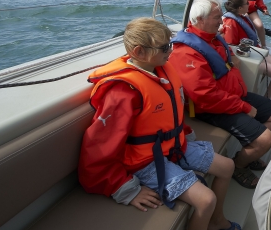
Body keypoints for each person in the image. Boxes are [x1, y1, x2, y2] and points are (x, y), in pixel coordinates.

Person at [78, 18, 239, 230]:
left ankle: (217, 221)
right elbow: (99, 148)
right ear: (139, 52)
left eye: (170, 44)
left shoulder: (161, 70)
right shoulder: (123, 92)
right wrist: (125, 188)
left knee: (227, 166)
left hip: (172, 147)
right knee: (205, 199)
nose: (170, 51)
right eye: (164, 47)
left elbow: (171, 115)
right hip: (144, 161)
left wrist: (183, 136)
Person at [168, 0, 271, 189]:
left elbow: (223, 57)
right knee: (265, 139)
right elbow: (204, 96)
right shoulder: (186, 54)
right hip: (211, 108)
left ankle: (248, 152)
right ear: (199, 20)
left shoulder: (213, 39)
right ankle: (240, 165)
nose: (222, 22)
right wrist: (244, 107)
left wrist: (232, 57)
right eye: (216, 18)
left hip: (232, 97)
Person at [221, 0, 271, 107]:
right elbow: (231, 45)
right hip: (246, 57)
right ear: (240, 8)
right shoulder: (231, 22)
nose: (249, 4)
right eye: (246, 3)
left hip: (255, 51)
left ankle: (266, 98)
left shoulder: (241, 17)